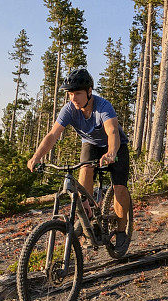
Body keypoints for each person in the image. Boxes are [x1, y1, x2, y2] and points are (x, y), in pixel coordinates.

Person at [27, 68, 132, 254]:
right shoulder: (69, 109)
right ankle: (88, 213)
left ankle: (122, 229)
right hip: (91, 144)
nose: (73, 98)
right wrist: (37, 156)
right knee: (85, 169)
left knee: (119, 188)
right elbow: (53, 134)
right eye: (70, 94)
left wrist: (111, 152)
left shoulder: (103, 106)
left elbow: (112, 132)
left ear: (89, 92)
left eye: (77, 94)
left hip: (116, 146)